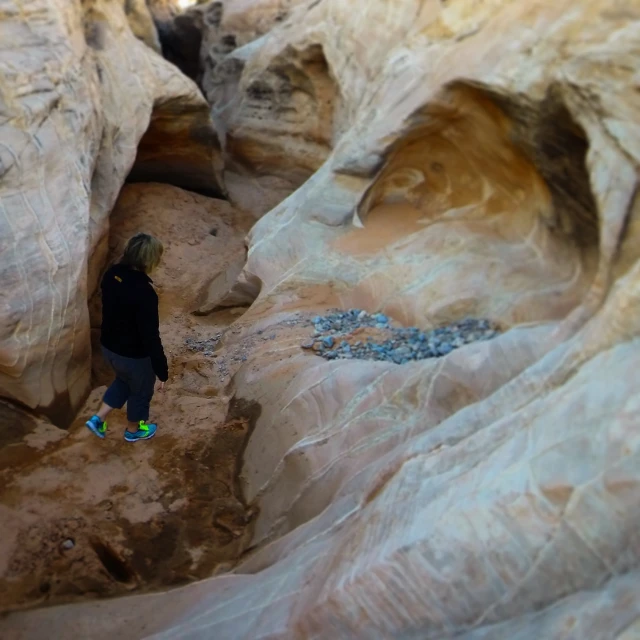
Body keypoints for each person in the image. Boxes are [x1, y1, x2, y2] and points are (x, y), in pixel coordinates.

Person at [85, 233, 169, 442]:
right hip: (133, 355)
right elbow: (150, 336)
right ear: (150, 260)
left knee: (123, 380)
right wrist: (162, 370)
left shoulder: (112, 274)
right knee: (140, 392)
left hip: (109, 347)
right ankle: (134, 431)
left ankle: (98, 418)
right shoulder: (144, 292)